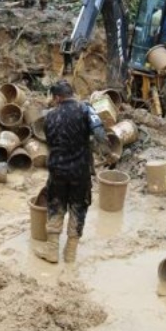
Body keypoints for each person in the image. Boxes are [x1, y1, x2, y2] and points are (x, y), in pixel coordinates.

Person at [36, 81, 109, 264]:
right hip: (80, 171)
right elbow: (100, 135)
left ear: (57, 98)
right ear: (71, 94)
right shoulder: (85, 109)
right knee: (78, 207)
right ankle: (70, 254)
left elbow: (51, 142)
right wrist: (102, 151)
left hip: (57, 171)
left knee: (56, 205)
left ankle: (52, 251)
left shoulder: (50, 117)